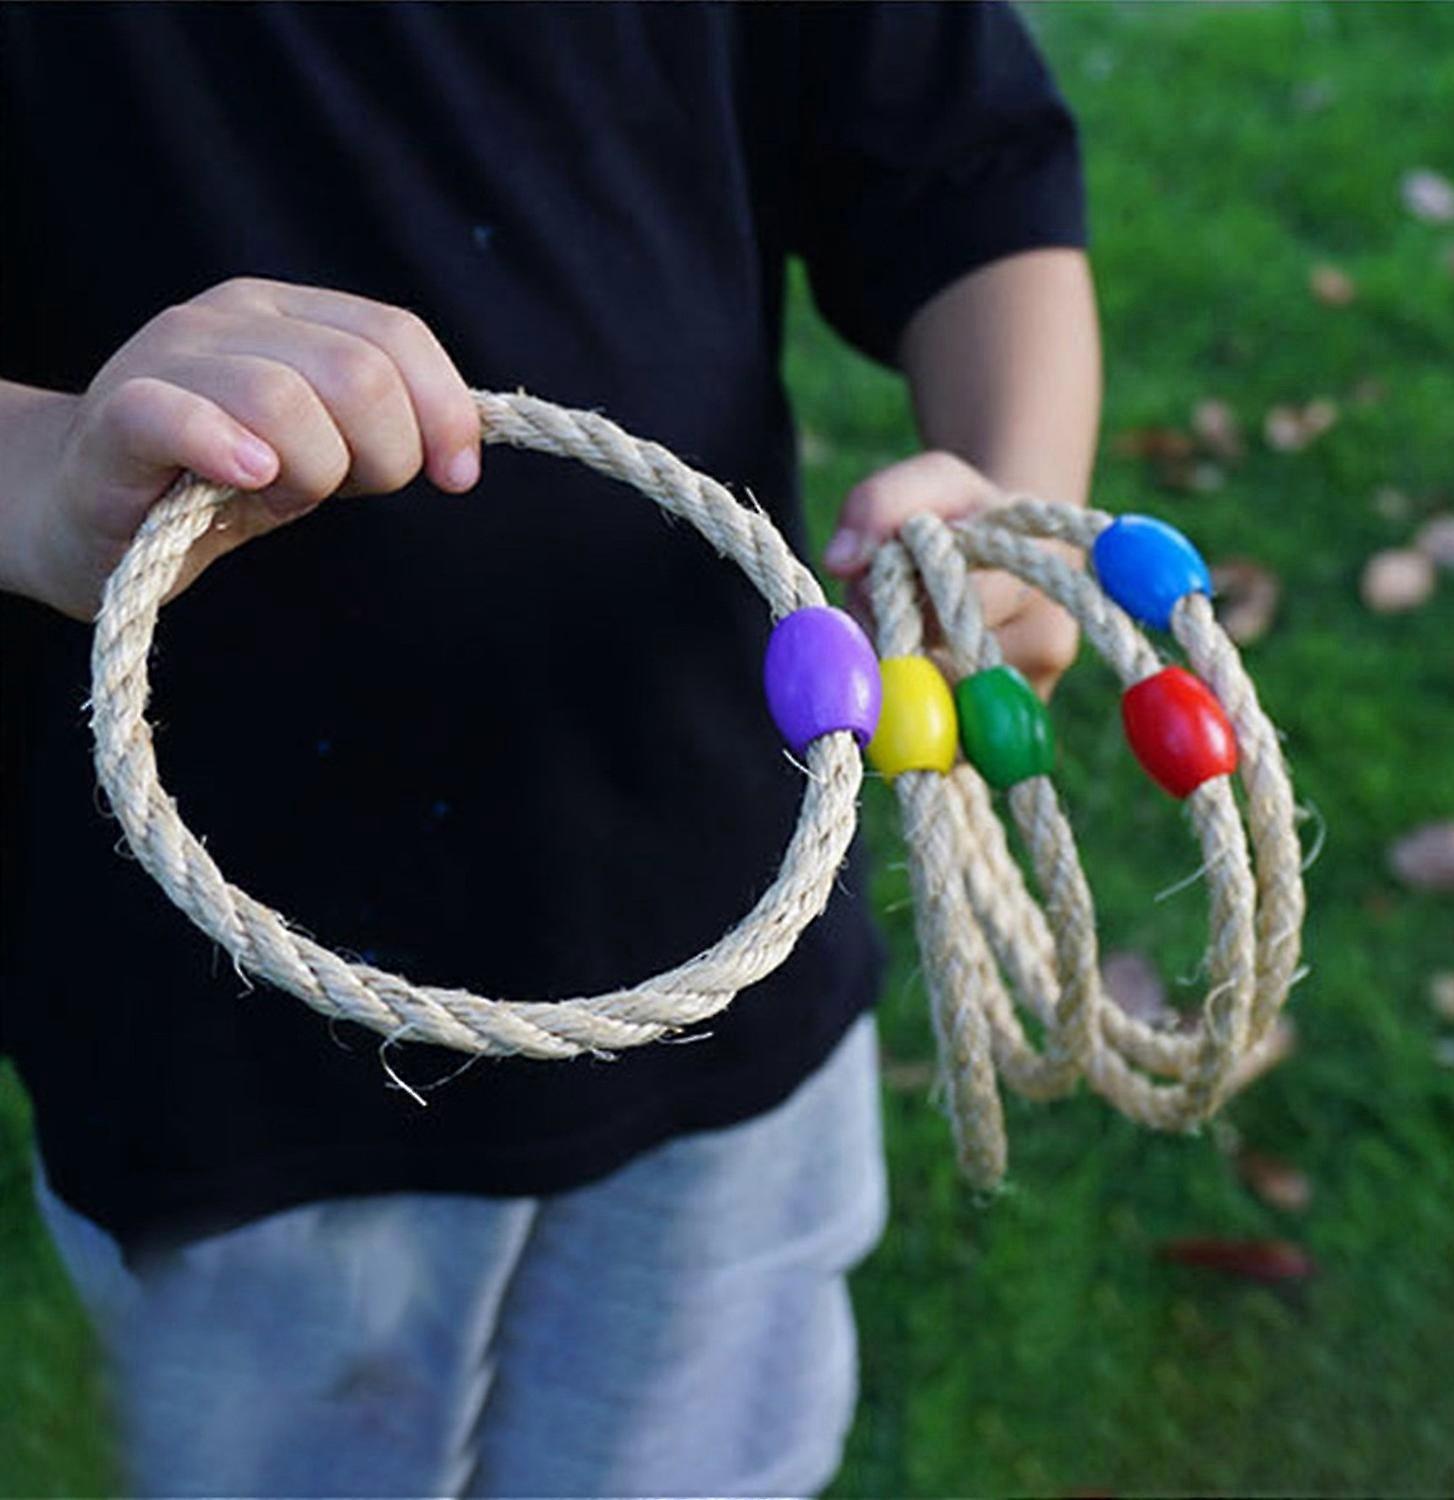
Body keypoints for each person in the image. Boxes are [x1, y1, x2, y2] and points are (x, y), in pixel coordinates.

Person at [0, 4, 1100, 1495]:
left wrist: (1018, 492)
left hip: (721, 937)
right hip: (222, 1075)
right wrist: (37, 469)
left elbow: (968, 162)